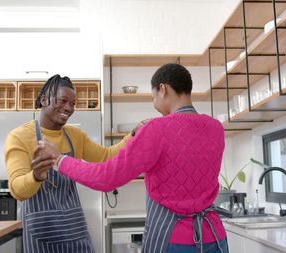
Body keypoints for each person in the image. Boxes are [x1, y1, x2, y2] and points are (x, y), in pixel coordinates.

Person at [37, 64, 229, 253]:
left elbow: (105, 177)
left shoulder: (157, 128)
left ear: (162, 89)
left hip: (173, 240)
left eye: (153, 97)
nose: (154, 104)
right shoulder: (216, 128)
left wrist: (60, 160)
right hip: (215, 238)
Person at [4, 74, 131, 253]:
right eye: (63, 101)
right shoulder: (19, 137)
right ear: (44, 100)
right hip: (41, 233)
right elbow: (17, 190)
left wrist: (133, 135)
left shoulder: (75, 135)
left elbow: (106, 156)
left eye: (72, 104)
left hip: (74, 229)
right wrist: (35, 176)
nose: (68, 108)